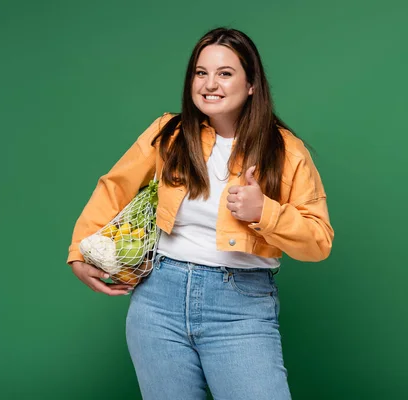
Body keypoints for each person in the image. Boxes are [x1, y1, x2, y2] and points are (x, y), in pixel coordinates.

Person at [67, 27, 334, 400]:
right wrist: (79, 253)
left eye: (225, 73)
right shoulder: (169, 133)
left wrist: (265, 213)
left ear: (252, 84)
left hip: (240, 304)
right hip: (157, 300)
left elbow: (319, 241)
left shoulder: (286, 152)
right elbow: (114, 188)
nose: (210, 84)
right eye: (200, 72)